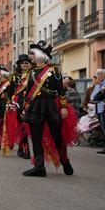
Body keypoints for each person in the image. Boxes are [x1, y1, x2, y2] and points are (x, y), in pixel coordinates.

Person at [22, 40, 77, 177]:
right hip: (35, 106)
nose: (30, 56)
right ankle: (39, 167)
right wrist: (25, 106)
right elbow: (28, 92)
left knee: (57, 136)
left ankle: (65, 161)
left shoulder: (53, 70)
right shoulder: (31, 72)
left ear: (40, 54)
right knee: (36, 138)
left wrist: (63, 107)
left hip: (51, 106)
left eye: (32, 53)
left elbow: (61, 91)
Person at [6, 54, 32, 159]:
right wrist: (9, 103)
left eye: (27, 63)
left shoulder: (33, 74)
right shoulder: (14, 77)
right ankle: (25, 149)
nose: (25, 65)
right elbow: (10, 92)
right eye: (23, 63)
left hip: (31, 103)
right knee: (22, 127)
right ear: (19, 65)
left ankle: (22, 147)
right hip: (18, 104)